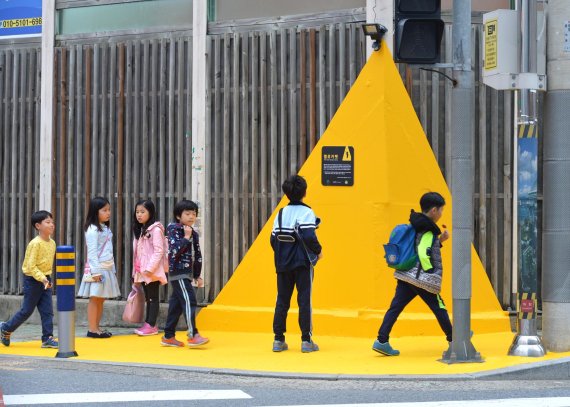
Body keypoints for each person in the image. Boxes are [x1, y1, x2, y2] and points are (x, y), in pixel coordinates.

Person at [373, 192, 452, 356]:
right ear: (434, 211)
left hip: (405, 275)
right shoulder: (429, 229)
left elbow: (420, 244)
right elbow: (423, 251)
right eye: (441, 210)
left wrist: (440, 241)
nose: (442, 214)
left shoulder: (416, 223)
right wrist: (430, 271)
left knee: (395, 308)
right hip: (421, 278)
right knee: (439, 307)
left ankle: (381, 340)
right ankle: (454, 339)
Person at [270, 175, 323, 353]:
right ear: (304, 192)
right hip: (302, 263)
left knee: (282, 300)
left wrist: (283, 254)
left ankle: (278, 340)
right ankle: (306, 341)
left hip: (282, 263)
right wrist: (318, 251)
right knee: (304, 300)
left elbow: (272, 240)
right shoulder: (307, 212)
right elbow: (309, 236)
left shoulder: (280, 213)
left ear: (286, 194)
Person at [0, 211, 58, 348]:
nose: (52, 225)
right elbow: (30, 266)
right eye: (48, 222)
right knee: (26, 311)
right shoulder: (35, 244)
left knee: (47, 310)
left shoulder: (52, 243)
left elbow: (47, 264)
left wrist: (47, 279)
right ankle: (6, 328)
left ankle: (47, 338)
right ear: (38, 226)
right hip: (33, 280)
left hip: (45, 279)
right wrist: (42, 279)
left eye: (52, 222)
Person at [161, 199, 209, 348]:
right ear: (178, 216)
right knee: (189, 300)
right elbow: (174, 252)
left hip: (187, 273)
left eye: (194, 214)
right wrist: (186, 238)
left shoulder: (192, 232)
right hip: (178, 272)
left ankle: (168, 336)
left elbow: (197, 254)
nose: (191, 217)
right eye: (187, 213)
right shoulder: (174, 229)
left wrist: (197, 274)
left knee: (176, 305)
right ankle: (193, 334)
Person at [78, 197, 121, 338]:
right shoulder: (92, 229)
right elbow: (91, 252)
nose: (108, 213)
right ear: (95, 212)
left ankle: (97, 327)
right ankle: (92, 329)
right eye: (104, 210)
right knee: (95, 298)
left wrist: (112, 269)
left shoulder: (104, 227)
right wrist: (95, 272)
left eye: (109, 210)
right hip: (98, 268)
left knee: (101, 299)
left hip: (107, 267)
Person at [132, 199, 168, 336]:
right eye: (137, 212)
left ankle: (151, 325)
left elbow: (159, 251)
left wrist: (149, 269)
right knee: (148, 297)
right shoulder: (141, 229)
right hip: (143, 271)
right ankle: (148, 323)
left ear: (150, 212)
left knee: (152, 297)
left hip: (151, 271)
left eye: (142, 212)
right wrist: (136, 272)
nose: (139, 215)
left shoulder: (156, 229)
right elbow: (137, 254)